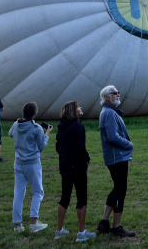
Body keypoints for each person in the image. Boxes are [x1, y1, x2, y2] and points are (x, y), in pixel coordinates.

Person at [96, 85, 135, 237]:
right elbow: (112, 137)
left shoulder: (108, 112)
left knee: (117, 188)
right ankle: (116, 227)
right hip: (117, 157)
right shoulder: (109, 113)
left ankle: (104, 222)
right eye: (114, 93)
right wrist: (129, 144)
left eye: (118, 92)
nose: (118, 94)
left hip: (115, 157)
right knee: (120, 190)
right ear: (106, 97)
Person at [55, 101, 96, 242]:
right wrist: (86, 159)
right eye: (78, 107)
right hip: (77, 166)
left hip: (65, 166)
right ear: (73, 111)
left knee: (64, 197)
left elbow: (58, 147)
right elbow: (80, 147)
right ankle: (81, 233)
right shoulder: (77, 126)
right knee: (81, 198)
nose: (81, 108)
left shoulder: (61, 126)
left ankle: (59, 230)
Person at [9, 102, 53, 233]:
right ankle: (33, 222)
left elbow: (10, 134)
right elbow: (41, 146)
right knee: (37, 192)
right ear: (35, 113)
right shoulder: (36, 128)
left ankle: (17, 225)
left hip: (18, 162)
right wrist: (47, 134)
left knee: (18, 193)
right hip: (32, 163)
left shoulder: (16, 124)